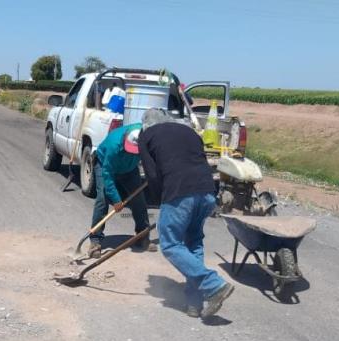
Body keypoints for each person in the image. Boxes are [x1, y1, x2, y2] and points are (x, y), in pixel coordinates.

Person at [138, 108, 234, 318]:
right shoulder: (190, 132)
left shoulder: (146, 136)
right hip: (207, 191)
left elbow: (152, 175)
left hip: (180, 192)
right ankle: (194, 302)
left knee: (171, 245)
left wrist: (160, 201)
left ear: (146, 125)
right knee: (193, 244)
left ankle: (214, 284)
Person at [88, 122, 156, 259]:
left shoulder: (145, 136)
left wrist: (154, 173)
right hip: (104, 166)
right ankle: (95, 240)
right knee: (102, 199)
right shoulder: (114, 146)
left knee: (139, 200)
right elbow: (107, 175)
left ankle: (142, 236)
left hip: (130, 169)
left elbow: (153, 158)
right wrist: (117, 199)